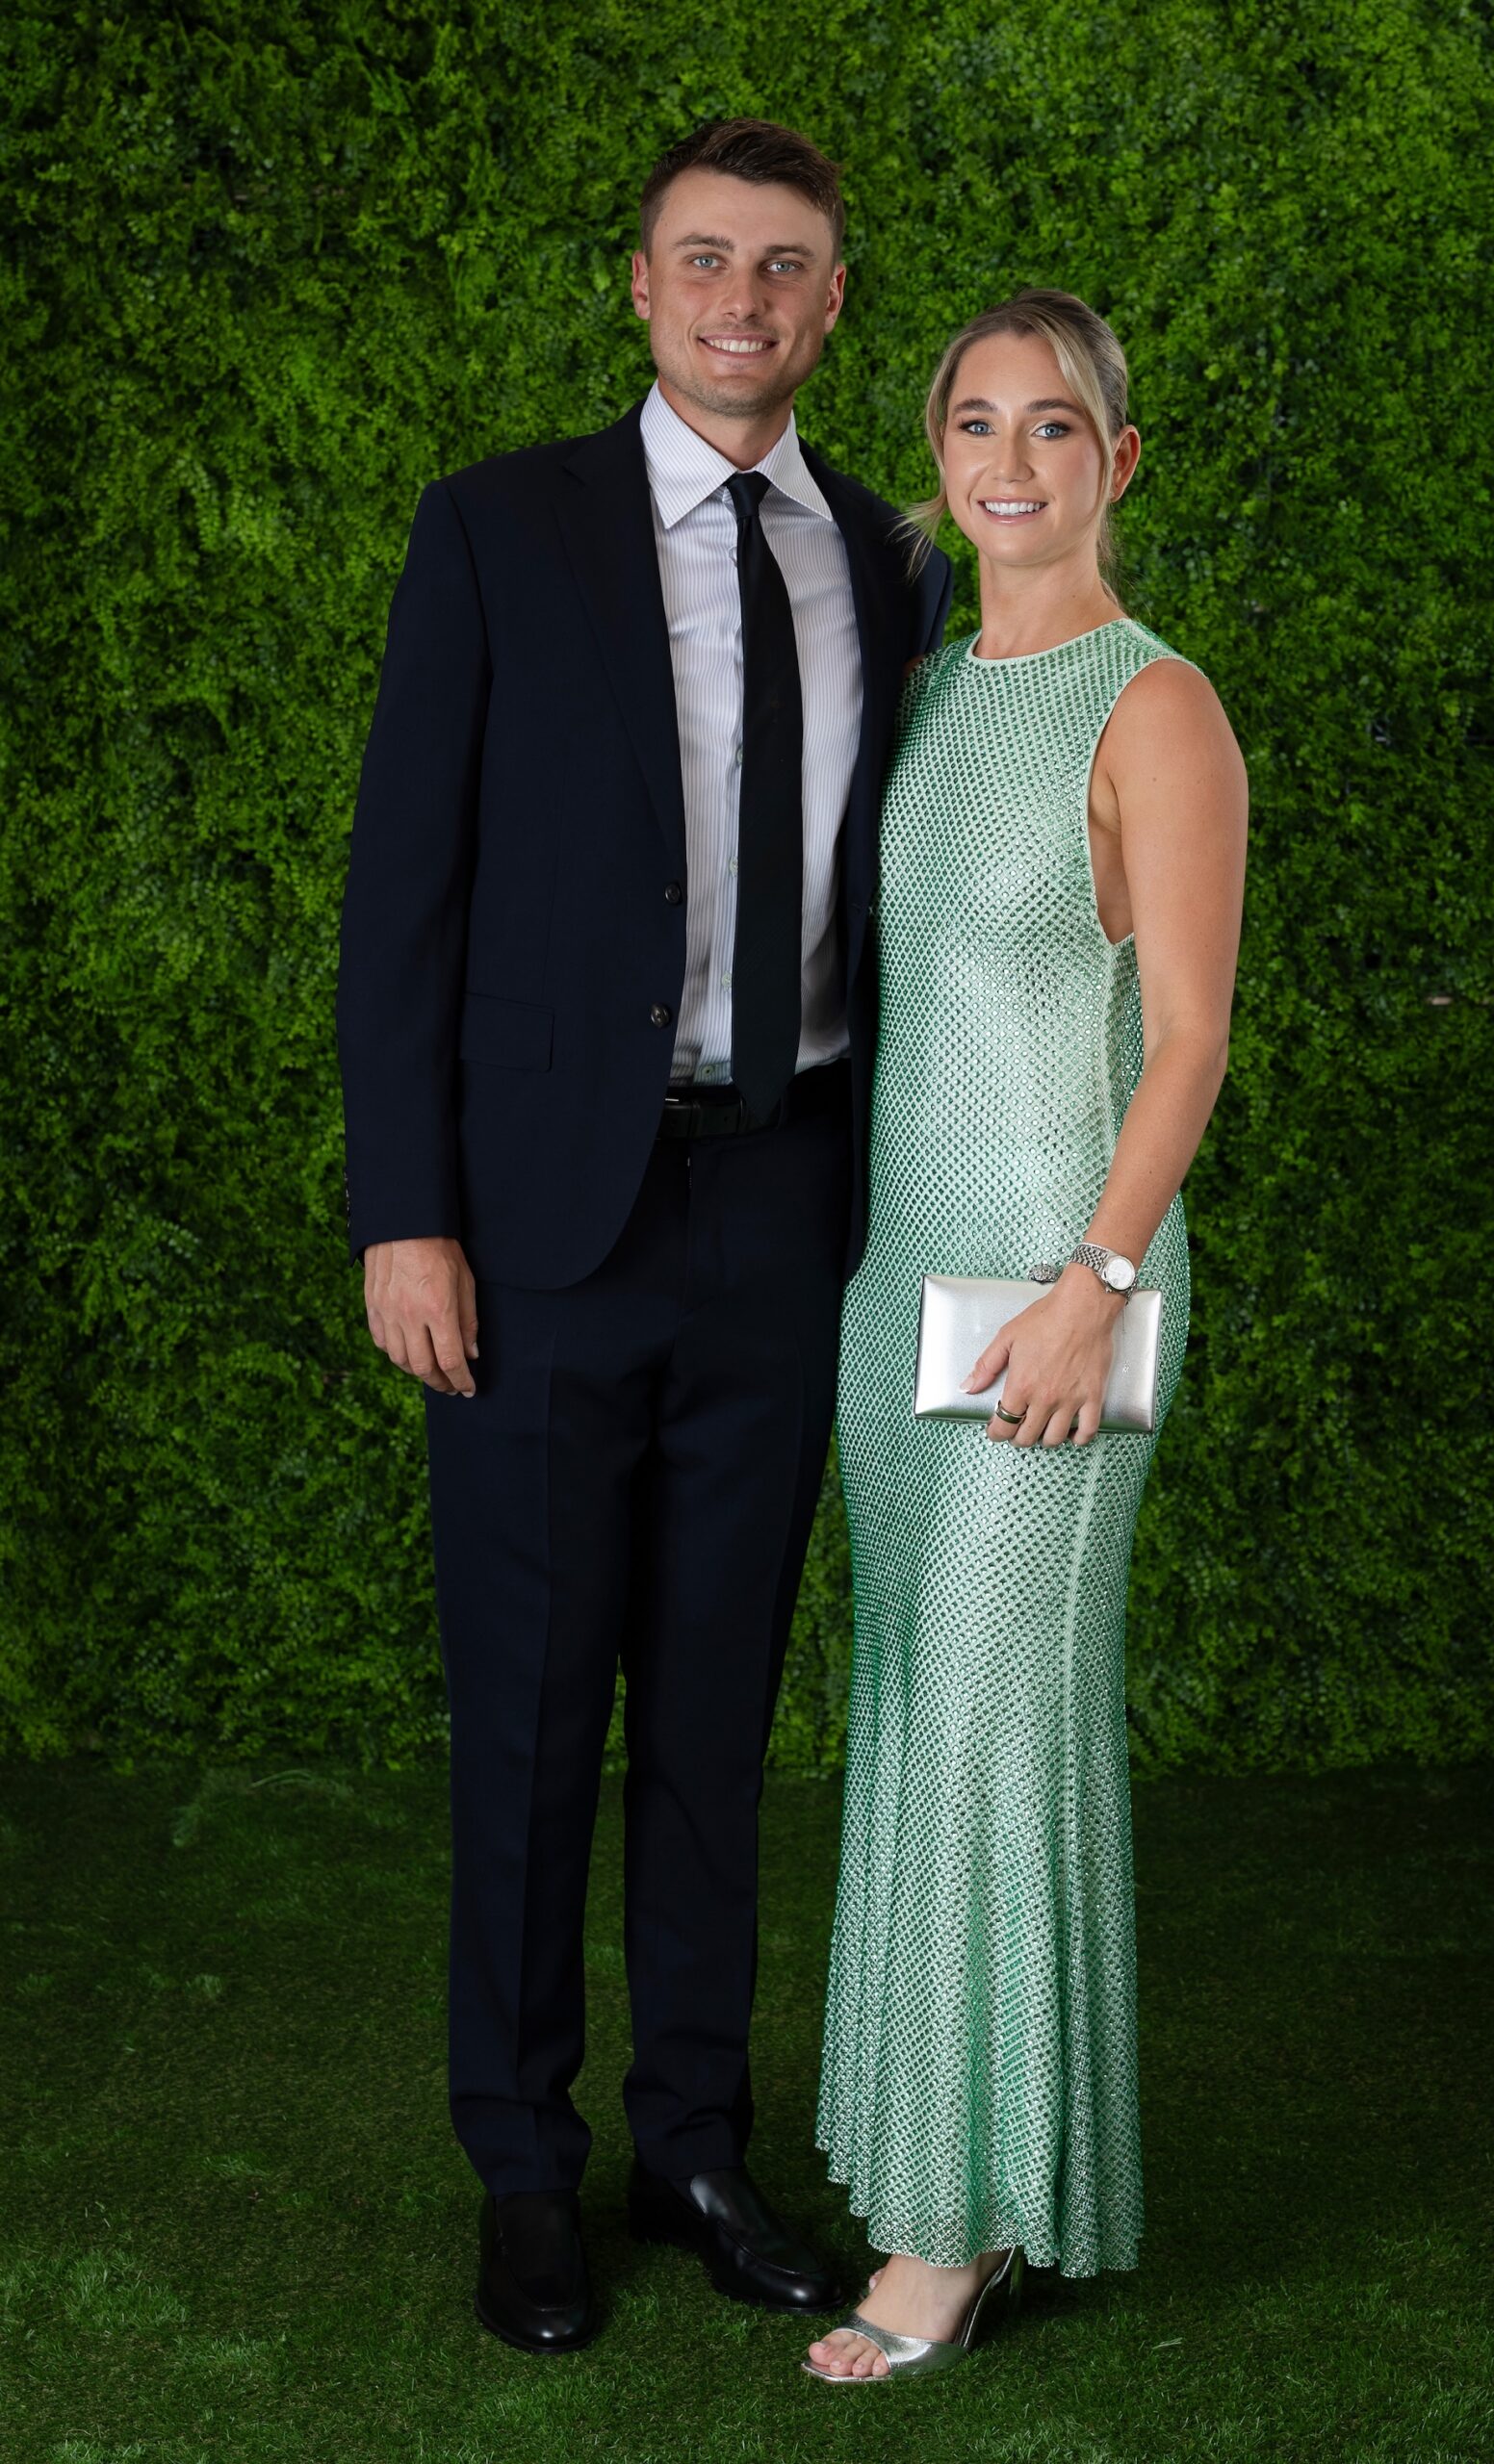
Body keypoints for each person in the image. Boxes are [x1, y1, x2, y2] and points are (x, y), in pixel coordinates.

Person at [334, 118, 952, 2355]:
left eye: (784, 269)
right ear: (636, 283)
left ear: (829, 305)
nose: (739, 302)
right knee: (524, 1717)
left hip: (782, 1208)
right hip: (540, 1222)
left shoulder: (889, 563)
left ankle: (696, 2139)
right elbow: (401, 891)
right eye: (703, 260)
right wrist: (407, 1208)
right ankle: (524, 2158)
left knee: (714, 1708)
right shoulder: (501, 527)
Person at [803, 290, 1248, 2382]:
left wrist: (1097, 1285)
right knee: (915, 1707)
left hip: (1052, 1300)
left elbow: (1185, 1042)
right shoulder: (915, 691)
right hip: (895, 1289)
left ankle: (958, 2226)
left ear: (1116, 461)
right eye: (971, 422)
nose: (1005, 460)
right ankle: (944, 2160)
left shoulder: (1153, 707)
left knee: (992, 1724)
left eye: (1051, 426)